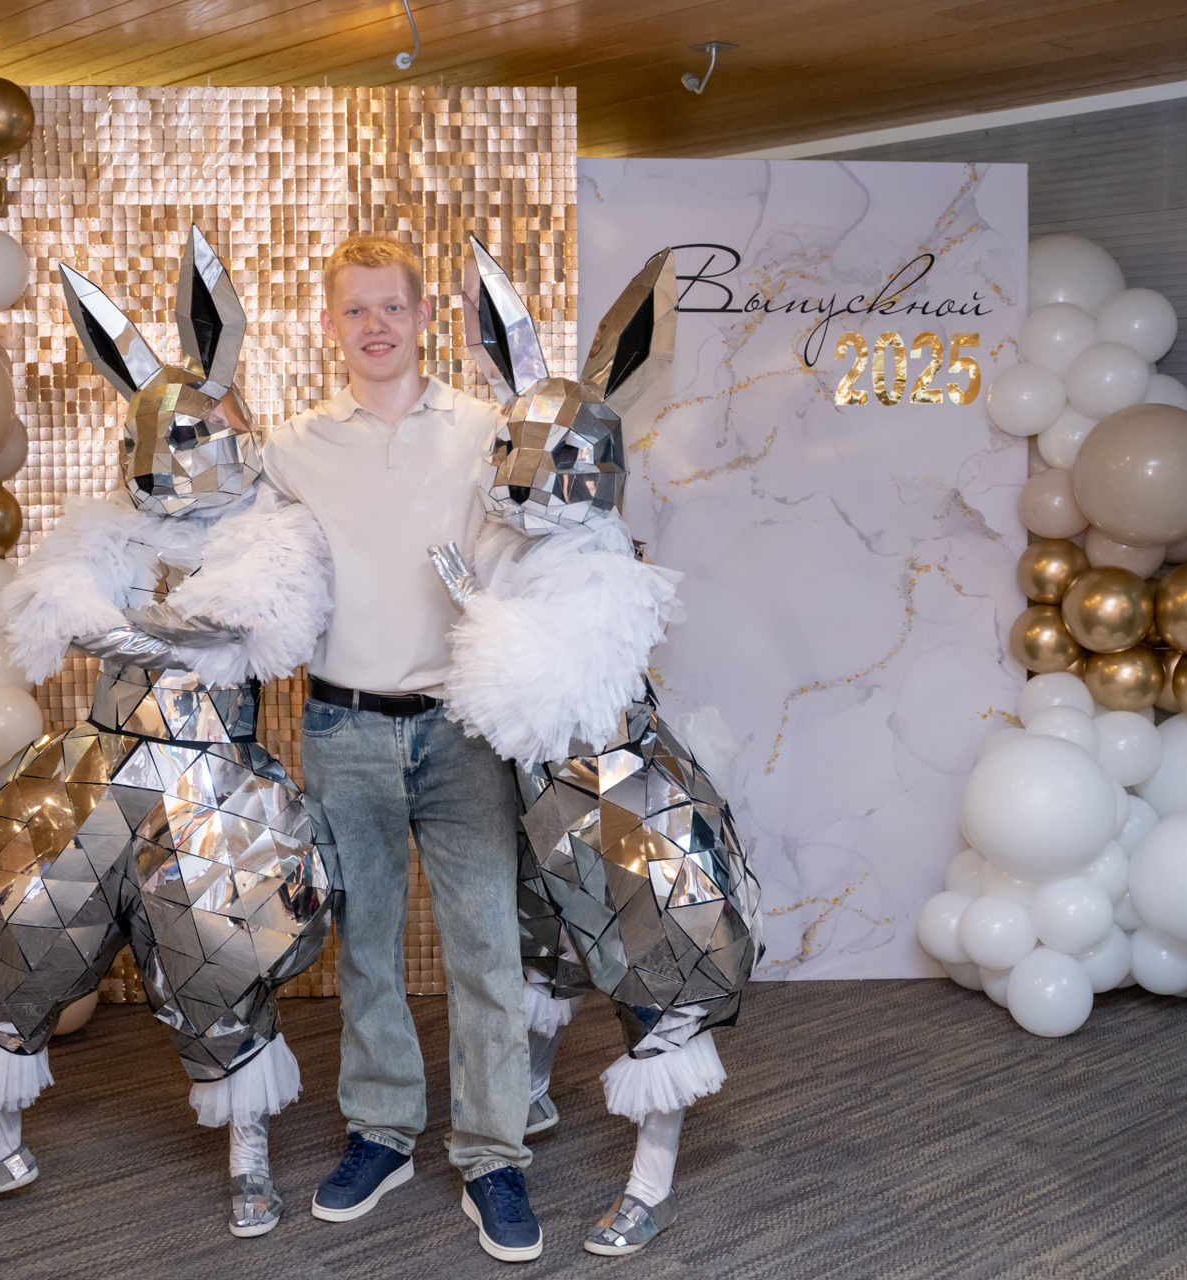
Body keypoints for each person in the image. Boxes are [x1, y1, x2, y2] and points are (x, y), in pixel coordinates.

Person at [0, 228, 336, 1239]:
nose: (158, 467)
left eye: (181, 442)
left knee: (222, 954)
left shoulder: (275, 535)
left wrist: (144, 625)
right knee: (20, 929)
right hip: (94, 768)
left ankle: (249, 1156)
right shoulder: (107, 532)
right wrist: (135, 622)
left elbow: (256, 625)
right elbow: (58, 601)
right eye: (143, 445)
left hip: (211, 781)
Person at [431, 237, 762, 1258]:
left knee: (655, 985)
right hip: (549, 812)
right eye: (515, 455)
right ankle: (527, 1097)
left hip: (623, 812)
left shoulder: (605, 570)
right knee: (543, 955)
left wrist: (475, 612)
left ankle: (648, 1182)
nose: (527, 483)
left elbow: (540, 699)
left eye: (561, 461)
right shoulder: (520, 556)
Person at [258, 236, 542, 1264]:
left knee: (486, 948)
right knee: (366, 944)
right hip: (342, 726)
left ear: (426, 318)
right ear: (330, 325)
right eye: (355, 309)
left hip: (462, 727)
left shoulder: (485, 429)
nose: (375, 325)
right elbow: (244, 555)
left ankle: (494, 1152)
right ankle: (381, 1134)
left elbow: (532, 539)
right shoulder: (292, 447)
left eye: (392, 307)